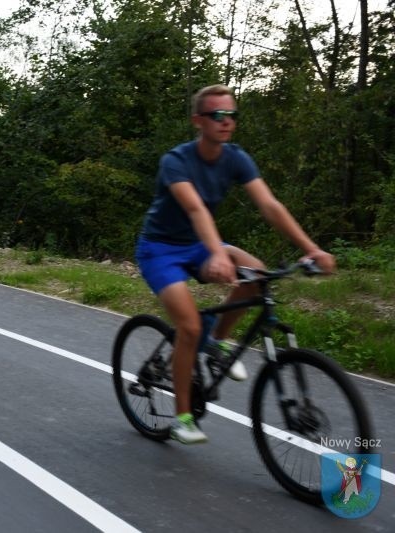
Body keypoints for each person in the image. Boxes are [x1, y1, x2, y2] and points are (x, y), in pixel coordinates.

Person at [135, 84, 335, 445]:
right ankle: (182, 418)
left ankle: (219, 343)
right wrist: (216, 253)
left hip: (200, 243)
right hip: (160, 250)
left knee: (256, 274)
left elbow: (270, 206)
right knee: (190, 327)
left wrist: (311, 248)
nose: (226, 122)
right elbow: (195, 208)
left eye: (232, 115)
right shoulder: (176, 161)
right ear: (199, 120)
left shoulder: (236, 157)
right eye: (217, 115)